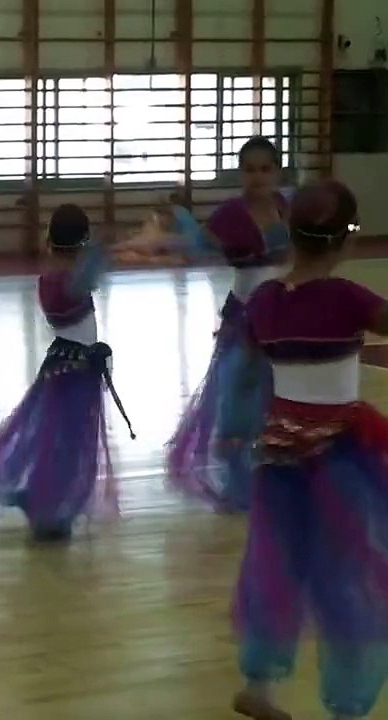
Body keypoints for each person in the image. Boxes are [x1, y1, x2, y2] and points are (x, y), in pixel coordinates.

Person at [229, 180, 388, 720]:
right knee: (348, 576)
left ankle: (259, 684)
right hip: (341, 457)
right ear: (345, 241)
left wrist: (233, 426)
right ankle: (347, 705)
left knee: (277, 566)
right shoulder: (348, 298)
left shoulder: (265, 302)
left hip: (279, 456)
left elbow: (250, 371)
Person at [0, 203, 135, 541]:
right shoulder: (69, 283)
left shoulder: (51, 280)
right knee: (68, 443)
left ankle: (48, 500)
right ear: (82, 244)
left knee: (52, 440)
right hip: (75, 373)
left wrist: (98, 250)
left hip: (63, 367)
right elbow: (90, 275)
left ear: (49, 241)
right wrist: (102, 249)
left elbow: (89, 274)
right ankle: (52, 507)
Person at [165, 136, 291, 512]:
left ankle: (276, 473)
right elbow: (200, 244)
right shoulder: (230, 213)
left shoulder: (287, 206)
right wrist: (172, 231)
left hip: (283, 313)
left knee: (279, 393)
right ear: (240, 173)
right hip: (245, 314)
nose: (257, 177)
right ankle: (237, 481)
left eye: (265, 169)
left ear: (277, 172)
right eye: (249, 169)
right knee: (238, 389)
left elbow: (291, 252)